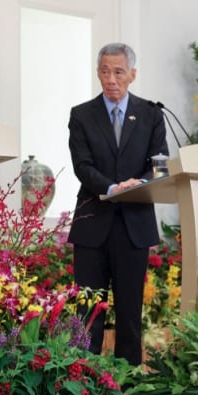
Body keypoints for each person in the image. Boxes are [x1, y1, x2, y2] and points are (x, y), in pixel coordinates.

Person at [67, 43, 168, 366]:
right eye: (105, 71)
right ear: (98, 73)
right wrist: (112, 188)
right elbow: (82, 166)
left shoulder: (152, 114)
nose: (111, 79)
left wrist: (137, 184)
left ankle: (128, 386)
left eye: (119, 72)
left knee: (129, 312)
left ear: (132, 75)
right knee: (88, 312)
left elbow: (160, 165)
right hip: (92, 224)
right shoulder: (81, 115)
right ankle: (84, 381)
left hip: (133, 225)